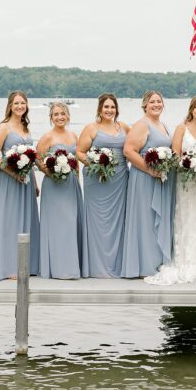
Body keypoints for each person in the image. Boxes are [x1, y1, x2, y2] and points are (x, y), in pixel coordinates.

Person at [147, 95, 196, 285]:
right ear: (191, 109)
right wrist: (190, 167)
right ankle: (187, 261)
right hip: (187, 183)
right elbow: (176, 155)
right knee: (188, 218)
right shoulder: (182, 129)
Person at [0, 91, 41, 280]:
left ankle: (25, 265)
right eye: (16, 103)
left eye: (22, 103)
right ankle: (7, 267)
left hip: (25, 182)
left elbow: (31, 158)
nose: (19, 106)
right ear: (10, 106)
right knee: (9, 222)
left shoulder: (25, 127)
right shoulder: (4, 127)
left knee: (24, 222)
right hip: (8, 181)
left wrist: (33, 181)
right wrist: (13, 173)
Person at [118, 91, 176, 278]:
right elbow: (129, 151)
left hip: (160, 179)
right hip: (144, 179)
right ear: (145, 105)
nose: (156, 104)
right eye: (152, 102)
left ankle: (157, 261)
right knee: (146, 220)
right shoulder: (142, 125)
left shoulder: (163, 125)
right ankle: (144, 265)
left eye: (159, 101)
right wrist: (150, 170)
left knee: (154, 220)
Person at [77, 93, 130, 278]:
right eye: (106, 107)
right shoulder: (91, 129)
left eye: (112, 107)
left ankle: (118, 264)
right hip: (97, 181)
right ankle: (95, 267)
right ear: (100, 109)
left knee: (118, 222)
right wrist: (95, 164)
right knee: (98, 222)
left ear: (117, 109)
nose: (109, 110)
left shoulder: (123, 127)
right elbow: (79, 152)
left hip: (120, 181)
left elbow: (133, 148)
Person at [36, 101, 85, 279]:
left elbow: (77, 160)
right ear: (51, 118)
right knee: (57, 225)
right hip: (54, 185)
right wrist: (49, 172)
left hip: (70, 185)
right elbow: (38, 158)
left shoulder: (73, 135)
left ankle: (71, 266)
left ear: (68, 116)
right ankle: (56, 268)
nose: (60, 117)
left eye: (62, 114)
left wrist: (77, 181)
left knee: (70, 224)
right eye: (56, 114)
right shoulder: (47, 137)